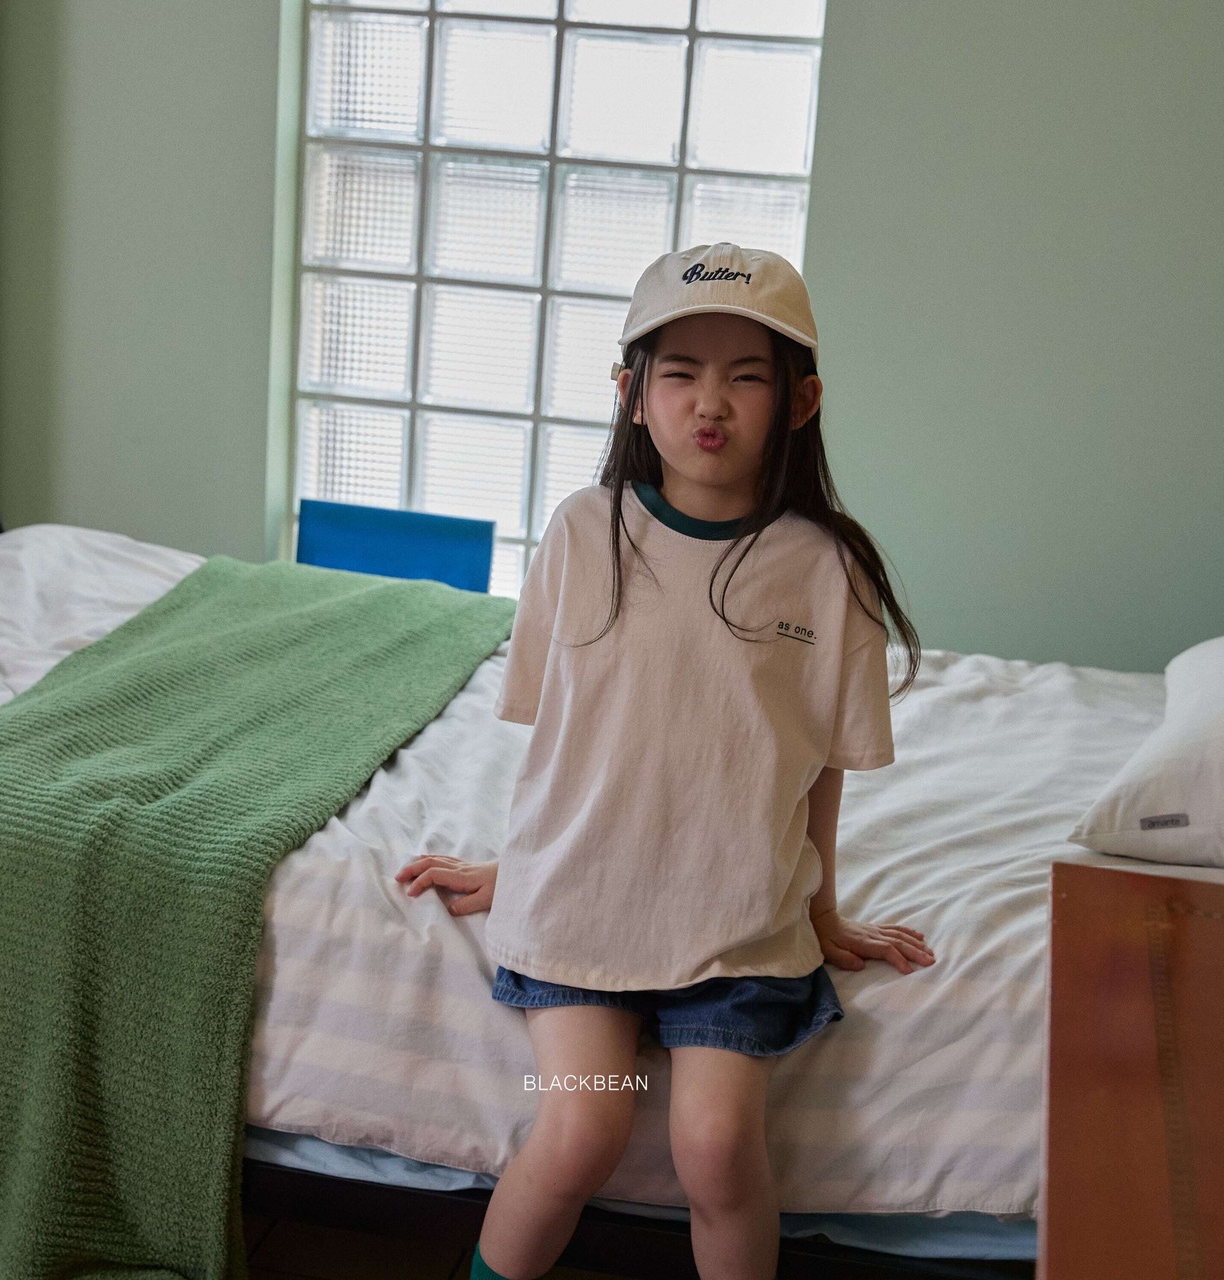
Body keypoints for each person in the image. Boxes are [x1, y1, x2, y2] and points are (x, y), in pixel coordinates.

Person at [395, 242, 933, 1280]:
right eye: (679, 372)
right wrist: (520, 868)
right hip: (576, 921)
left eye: (746, 376)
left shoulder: (829, 568)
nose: (709, 402)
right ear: (631, 393)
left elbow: (820, 764)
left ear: (800, 400)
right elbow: (572, 739)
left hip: (738, 934)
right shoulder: (580, 532)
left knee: (716, 1146)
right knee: (579, 1128)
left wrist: (821, 912)